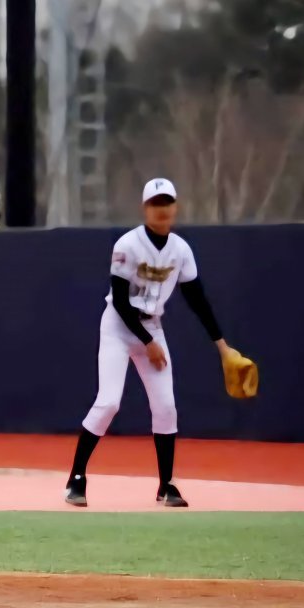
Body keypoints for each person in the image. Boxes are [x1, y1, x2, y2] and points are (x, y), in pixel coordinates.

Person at [65, 178, 237, 508]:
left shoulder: (181, 250)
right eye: (155, 203)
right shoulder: (127, 245)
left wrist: (222, 346)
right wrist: (147, 342)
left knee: (166, 406)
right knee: (109, 402)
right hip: (117, 326)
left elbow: (198, 301)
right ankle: (76, 478)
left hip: (151, 328)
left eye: (167, 203)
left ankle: (166, 486)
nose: (162, 210)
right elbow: (119, 299)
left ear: (175, 207)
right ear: (146, 209)